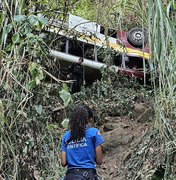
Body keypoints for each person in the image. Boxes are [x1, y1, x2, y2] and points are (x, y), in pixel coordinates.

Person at [61, 105, 104, 180]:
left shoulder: (66, 136)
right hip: (88, 175)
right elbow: (99, 161)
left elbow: (63, 162)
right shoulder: (94, 133)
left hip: (70, 176)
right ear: (88, 119)